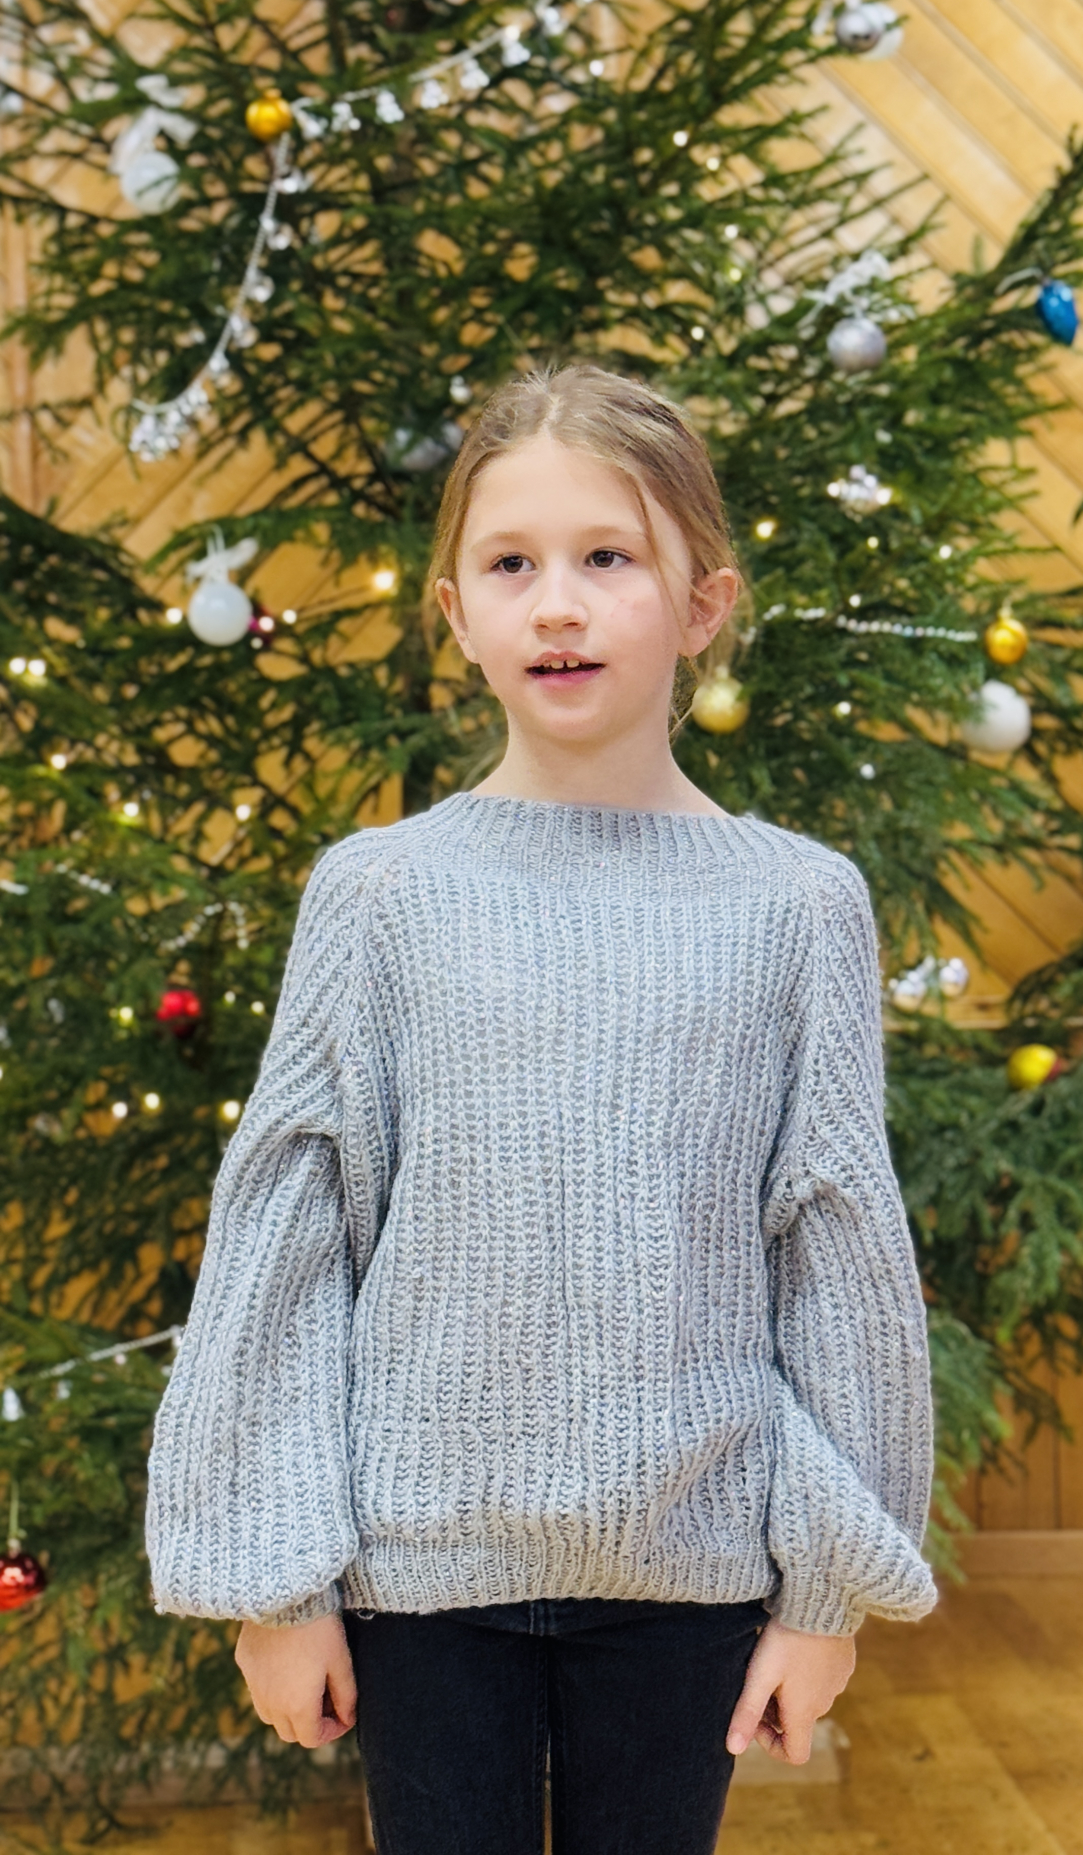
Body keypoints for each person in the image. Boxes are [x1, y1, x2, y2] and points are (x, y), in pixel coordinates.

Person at [145, 362, 936, 1855]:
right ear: (456, 613)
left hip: (693, 1578)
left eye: (607, 558)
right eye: (512, 565)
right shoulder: (378, 896)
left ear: (702, 602)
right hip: (418, 1580)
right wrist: (276, 1583)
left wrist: (827, 1599)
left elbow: (836, 1252)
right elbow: (287, 1242)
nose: (557, 606)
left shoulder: (799, 905)